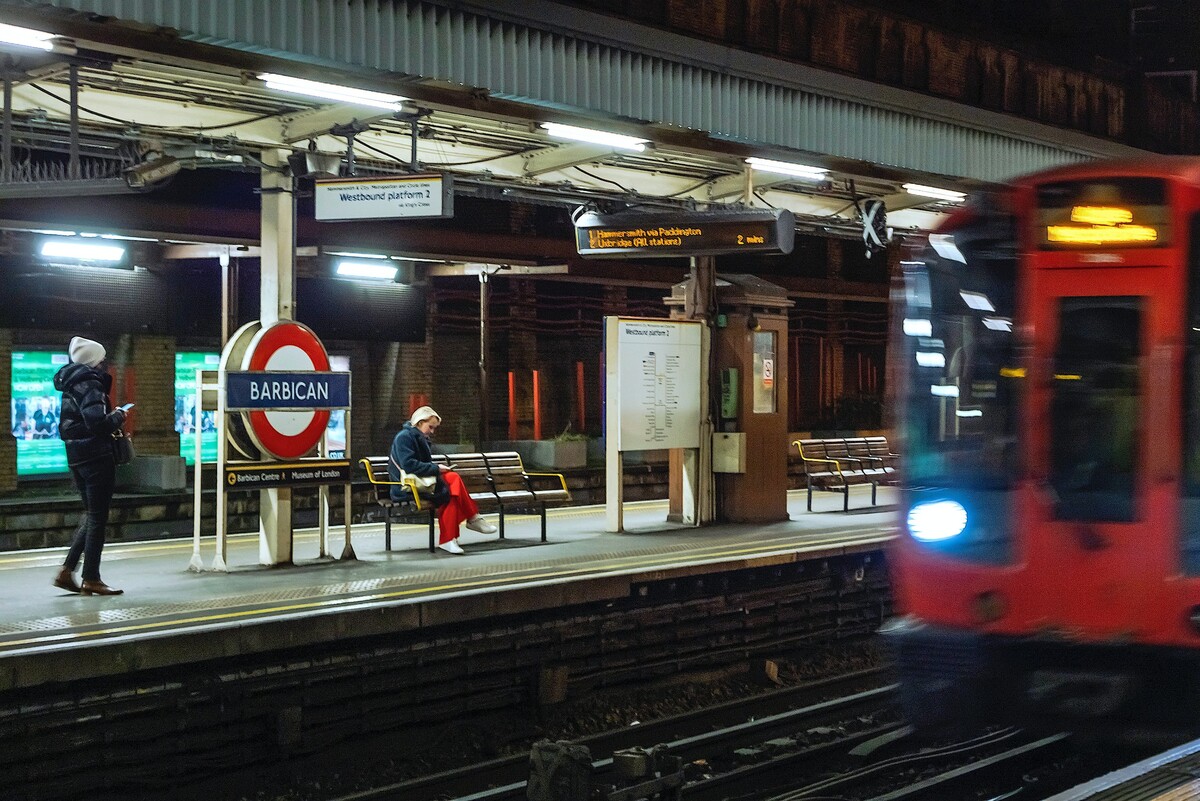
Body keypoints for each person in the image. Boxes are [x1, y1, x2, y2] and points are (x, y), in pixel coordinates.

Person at [51, 336, 128, 596]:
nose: (105, 364)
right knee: (98, 517)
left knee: (93, 515)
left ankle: (66, 572)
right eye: (102, 359)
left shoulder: (71, 383)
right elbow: (97, 422)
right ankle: (91, 578)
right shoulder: (90, 382)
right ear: (94, 361)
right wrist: (118, 415)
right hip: (95, 455)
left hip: (77, 455)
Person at [389, 405, 497, 554]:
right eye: (430, 427)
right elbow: (409, 466)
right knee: (452, 480)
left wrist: (436, 469)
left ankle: (450, 539)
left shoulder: (419, 437)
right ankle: (471, 519)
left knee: (451, 494)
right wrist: (437, 468)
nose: (432, 431)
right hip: (407, 487)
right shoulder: (404, 438)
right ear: (420, 422)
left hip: (422, 481)